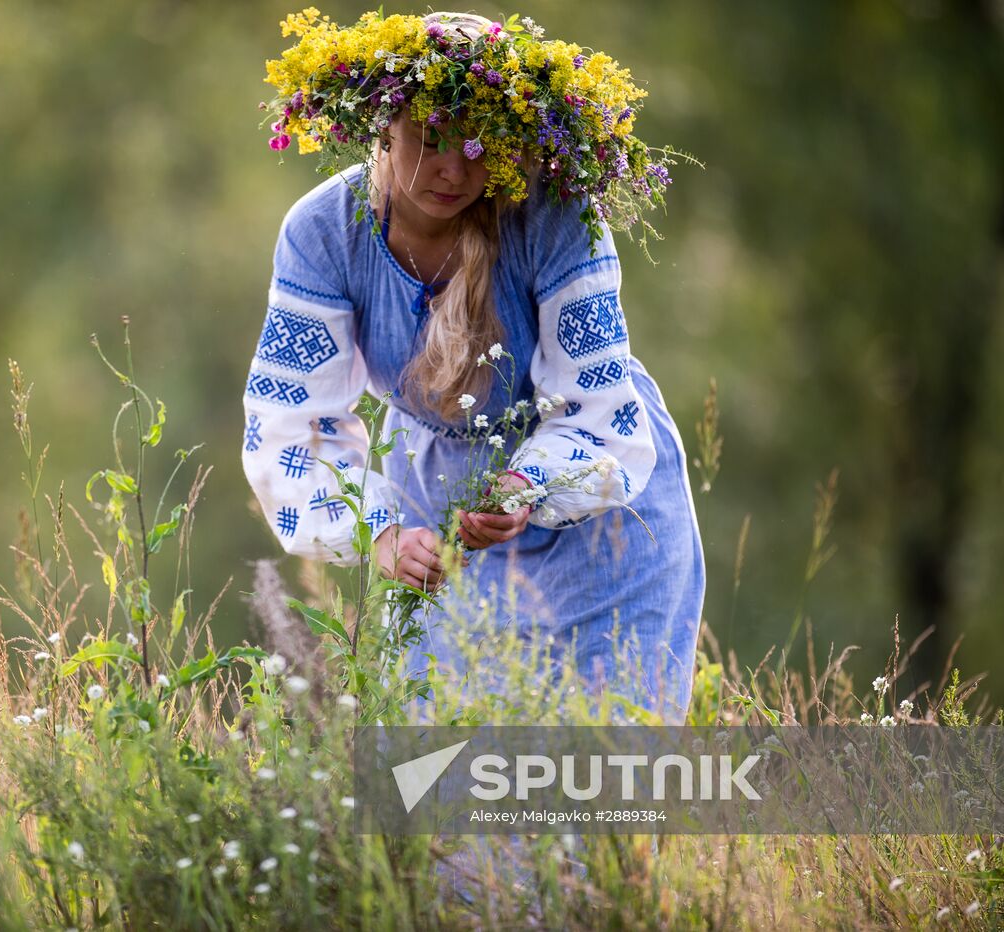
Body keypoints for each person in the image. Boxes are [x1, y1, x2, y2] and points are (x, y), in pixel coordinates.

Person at [244, 10, 704, 725]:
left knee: (601, 788)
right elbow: (292, 425)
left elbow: (597, 403)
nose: (453, 170)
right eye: (428, 139)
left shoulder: (554, 215)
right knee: (445, 778)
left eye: (478, 142)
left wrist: (527, 484)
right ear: (382, 128)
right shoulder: (324, 231)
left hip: (602, 516)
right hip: (437, 519)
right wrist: (384, 533)